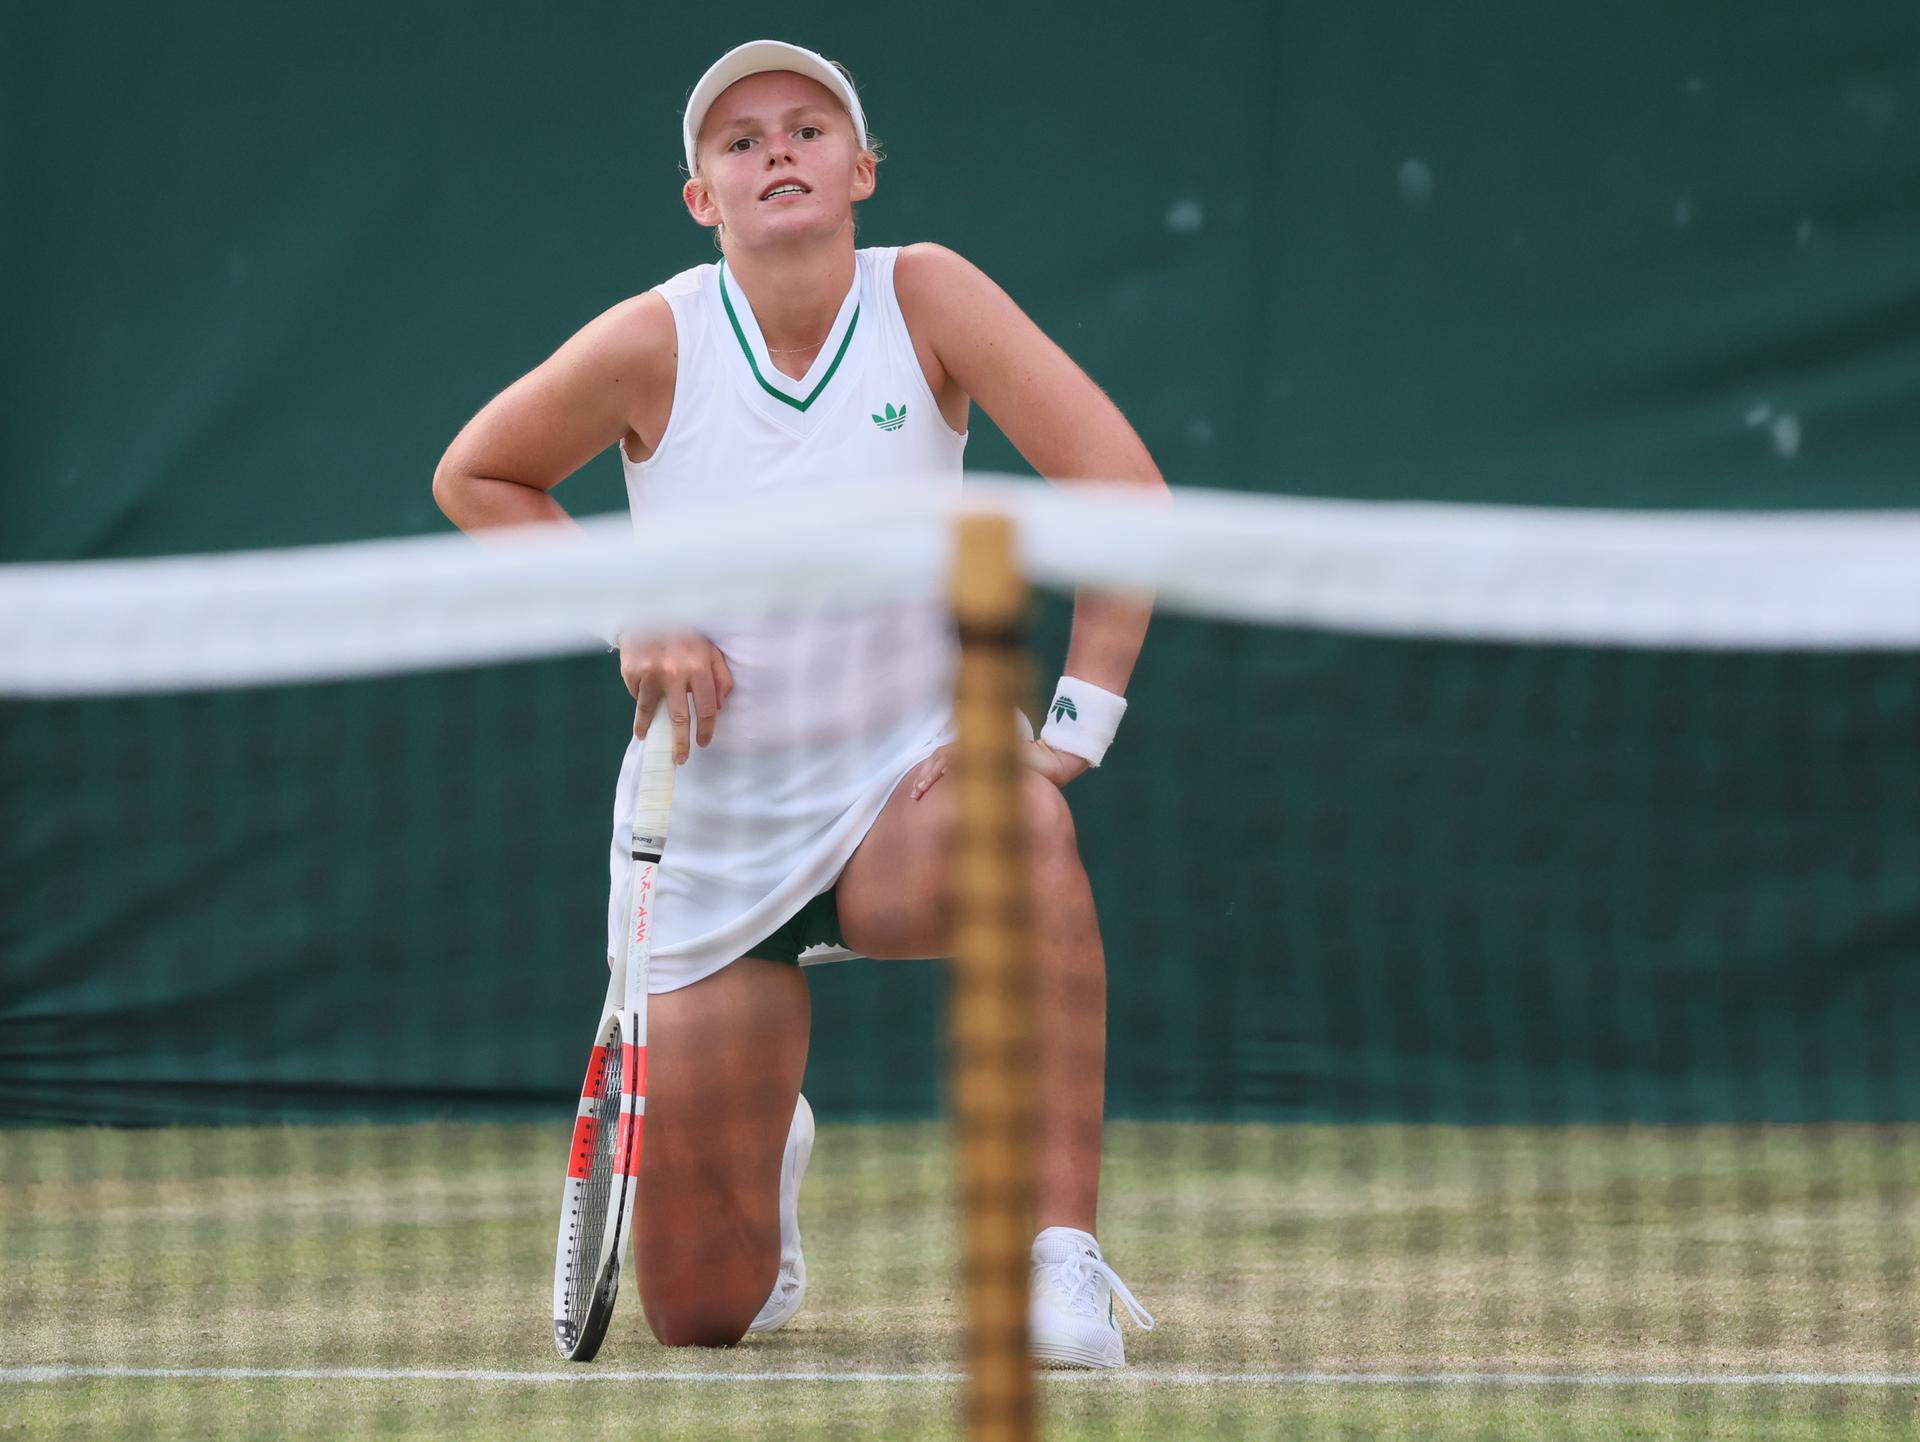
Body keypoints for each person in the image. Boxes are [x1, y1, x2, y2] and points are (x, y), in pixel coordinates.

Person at [433, 39, 1165, 1368]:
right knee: (699, 1313)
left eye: (810, 127)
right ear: (702, 198)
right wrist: (631, 611)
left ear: (862, 171)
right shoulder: (655, 338)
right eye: (740, 139)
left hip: (907, 790)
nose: (778, 148)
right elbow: (478, 474)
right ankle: (769, 1153)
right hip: (712, 836)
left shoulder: (930, 295)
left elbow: (1126, 490)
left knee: (1030, 837)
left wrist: (1075, 726)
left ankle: (1060, 1261)